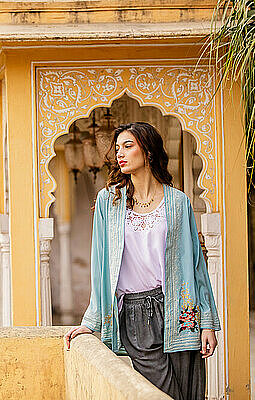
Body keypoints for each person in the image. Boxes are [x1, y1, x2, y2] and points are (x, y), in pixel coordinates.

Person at [65, 122, 221, 400]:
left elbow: (196, 265)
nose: (120, 154)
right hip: (136, 314)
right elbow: (100, 262)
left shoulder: (178, 202)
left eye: (128, 146)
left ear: (148, 152)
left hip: (181, 311)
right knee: (161, 393)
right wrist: (92, 320)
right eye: (118, 148)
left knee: (190, 392)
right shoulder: (108, 202)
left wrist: (207, 322)